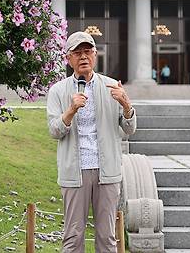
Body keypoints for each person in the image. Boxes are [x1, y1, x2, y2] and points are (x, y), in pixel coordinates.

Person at [47, 31, 136, 253]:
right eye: (77, 52)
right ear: (68, 59)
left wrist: (126, 105)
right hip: (74, 172)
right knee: (73, 235)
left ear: (95, 55)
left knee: (107, 236)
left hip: (107, 171)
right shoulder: (58, 90)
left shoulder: (110, 87)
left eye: (87, 51)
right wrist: (71, 109)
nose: (83, 56)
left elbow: (129, 129)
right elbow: (54, 131)